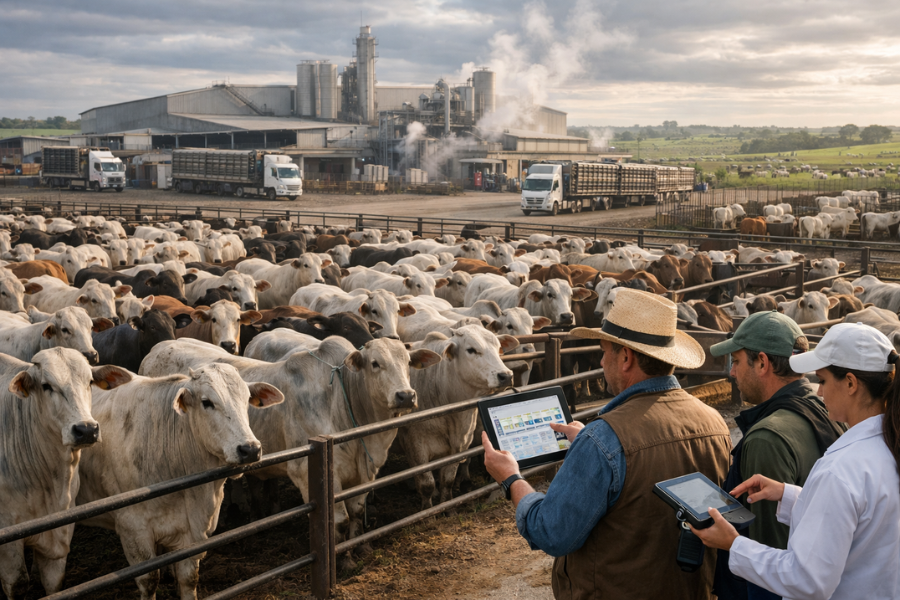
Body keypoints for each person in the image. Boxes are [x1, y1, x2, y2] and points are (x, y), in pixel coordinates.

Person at [482, 289, 732, 600]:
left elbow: (551, 531)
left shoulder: (604, 439)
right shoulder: (713, 422)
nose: (601, 361)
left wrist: (511, 479)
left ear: (625, 358)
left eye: (604, 351)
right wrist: (591, 445)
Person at [692, 322, 900, 599]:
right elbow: (865, 516)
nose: (820, 391)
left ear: (850, 383)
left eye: (824, 381)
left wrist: (735, 544)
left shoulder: (841, 469)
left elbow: (807, 580)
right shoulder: (886, 444)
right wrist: (788, 495)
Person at [708, 311, 846, 600]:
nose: (732, 373)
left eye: (736, 361)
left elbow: (768, 557)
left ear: (762, 362)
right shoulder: (830, 412)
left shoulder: (766, 438)